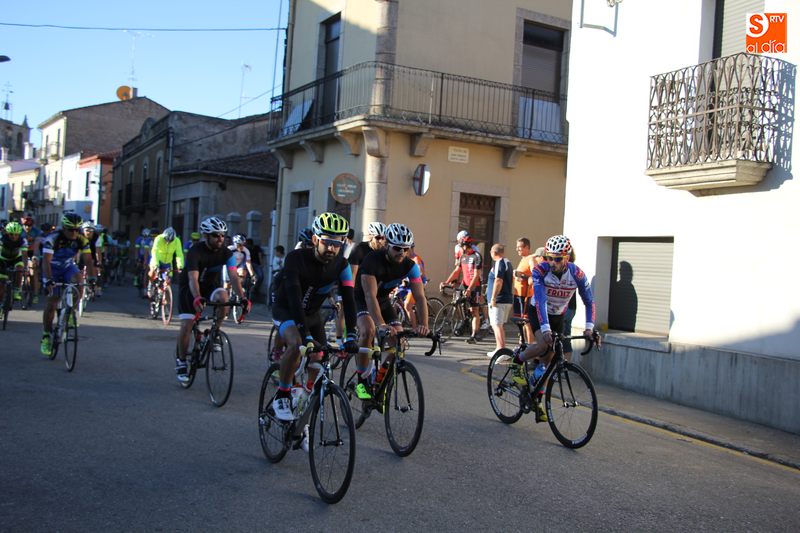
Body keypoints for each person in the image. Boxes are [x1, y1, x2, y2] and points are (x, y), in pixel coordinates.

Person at [269, 212, 358, 421]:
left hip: (311, 314)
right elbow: (294, 297)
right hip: (286, 309)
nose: (332, 248)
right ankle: (282, 393)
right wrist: (305, 335)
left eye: (337, 243)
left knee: (320, 357)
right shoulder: (296, 259)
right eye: (327, 242)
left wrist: (351, 335)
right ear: (315, 239)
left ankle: (305, 395)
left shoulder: (342, 265)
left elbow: (349, 300)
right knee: (296, 344)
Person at [511, 235, 599, 421]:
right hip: (538, 311)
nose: (552, 262)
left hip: (558, 315)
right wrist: (545, 329)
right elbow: (541, 300)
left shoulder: (577, 274)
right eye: (549, 257)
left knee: (549, 362)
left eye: (557, 259)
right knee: (543, 344)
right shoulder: (540, 270)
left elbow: (589, 301)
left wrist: (589, 328)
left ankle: (536, 397)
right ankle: (517, 362)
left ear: (566, 257)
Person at [353, 223, 428, 400]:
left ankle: (379, 380)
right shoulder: (372, 260)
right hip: (362, 299)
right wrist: (381, 324)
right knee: (368, 330)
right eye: (397, 248)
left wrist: (424, 325)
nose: (401, 252)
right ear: (387, 244)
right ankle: (361, 380)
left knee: (399, 342)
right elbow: (370, 296)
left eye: (405, 249)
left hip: (383, 301)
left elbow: (420, 297)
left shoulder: (410, 266)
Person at [175, 217, 250, 383]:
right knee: (187, 324)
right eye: (216, 235)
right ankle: (181, 360)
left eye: (223, 235)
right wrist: (197, 298)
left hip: (210, 286)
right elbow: (193, 279)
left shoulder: (227, 253)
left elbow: (233, 277)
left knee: (223, 297)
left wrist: (243, 298)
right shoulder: (195, 251)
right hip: (190, 288)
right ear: (206, 236)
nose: (220, 239)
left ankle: (215, 332)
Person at [40, 213, 96, 356]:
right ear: (64, 228)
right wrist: (48, 279)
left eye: (77, 230)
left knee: (79, 281)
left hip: (67, 266)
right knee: (52, 303)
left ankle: (71, 312)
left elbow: (88, 260)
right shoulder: (53, 238)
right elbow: (46, 261)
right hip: (52, 268)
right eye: (71, 230)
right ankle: (46, 336)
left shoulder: (82, 240)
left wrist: (92, 278)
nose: (74, 233)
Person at [440, 233, 483, 344]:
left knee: (474, 311)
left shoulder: (476, 256)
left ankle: (474, 335)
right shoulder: (462, 256)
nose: (460, 248)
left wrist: (469, 289)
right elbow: (457, 271)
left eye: (461, 246)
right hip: (464, 283)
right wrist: (446, 282)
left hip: (475, 286)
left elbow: (476, 275)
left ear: (466, 246)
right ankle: (464, 321)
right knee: (456, 301)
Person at [486, 243, 514, 357]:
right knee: (499, 325)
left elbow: (498, 280)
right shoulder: (508, 262)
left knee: (496, 325)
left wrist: (493, 298)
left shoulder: (499, 262)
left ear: (493, 252)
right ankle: (499, 349)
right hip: (506, 299)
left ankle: (502, 352)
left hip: (499, 300)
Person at [512, 239, 542, 344]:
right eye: (517, 247)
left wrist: (522, 276)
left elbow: (535, 275)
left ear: (527, 247)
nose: (517, 249)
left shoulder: (531, 259)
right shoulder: (523, 259)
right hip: (518, 294)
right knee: (520, 322)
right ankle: (522, 343)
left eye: (519, 247)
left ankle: (530, 344)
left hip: (525, 296)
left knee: (526, 322)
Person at [147, 227, 184, 300]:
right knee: (152, 272)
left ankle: (162, 295)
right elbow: (154, 252)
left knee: (167, 280)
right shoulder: (158, 238)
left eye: (170, 241)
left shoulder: (177, 241)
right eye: (166, 240)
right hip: (157, 259)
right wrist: (156, 264)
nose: (167, 242)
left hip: (167, 262)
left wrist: (180, 266)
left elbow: (179, 255)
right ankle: (150, 284)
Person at [0, 221, 27, 303]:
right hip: (3, 259)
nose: (14, 236)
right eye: (11, 234)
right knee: (2, 284)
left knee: (19, 269)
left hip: (16, 258)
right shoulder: (1, 239)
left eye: (16, 234)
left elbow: (24, 255)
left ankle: (17, 290)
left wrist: (25, 267)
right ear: (7, 233)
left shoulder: (23, 241)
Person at [402, 245, 427, 329]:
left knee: (407, 306)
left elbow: (420, 274)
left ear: (411, 249)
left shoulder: (416, 259)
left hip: (416, 284)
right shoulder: (405, 258)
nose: (404, 251)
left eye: (406, 249)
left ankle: (414, 328)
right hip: (407, 284)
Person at [21, 216, 43, 304]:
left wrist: (35, 257)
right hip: (22, 252)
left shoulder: (36, 232)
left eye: (29, 225)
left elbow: (36, 246)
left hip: (33, 252)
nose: (27, 227)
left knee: (34, 271)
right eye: (25, 225)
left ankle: (35, 295)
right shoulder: (20, 231)